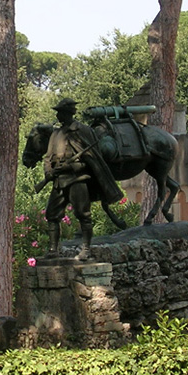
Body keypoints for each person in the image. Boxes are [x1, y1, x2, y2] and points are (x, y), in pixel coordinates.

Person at [43, 98, 123, 260]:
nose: (57, 115)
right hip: (59, 181)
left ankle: (86, 248)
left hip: (77, 180)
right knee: (52, 214)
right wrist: (49, 171)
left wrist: (71, 167)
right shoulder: (56, 134)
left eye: (60, 112)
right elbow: (48, 157)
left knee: (83, 214)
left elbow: (93, 160)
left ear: (67, 113)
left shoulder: (83, 131)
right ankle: (53, 249)